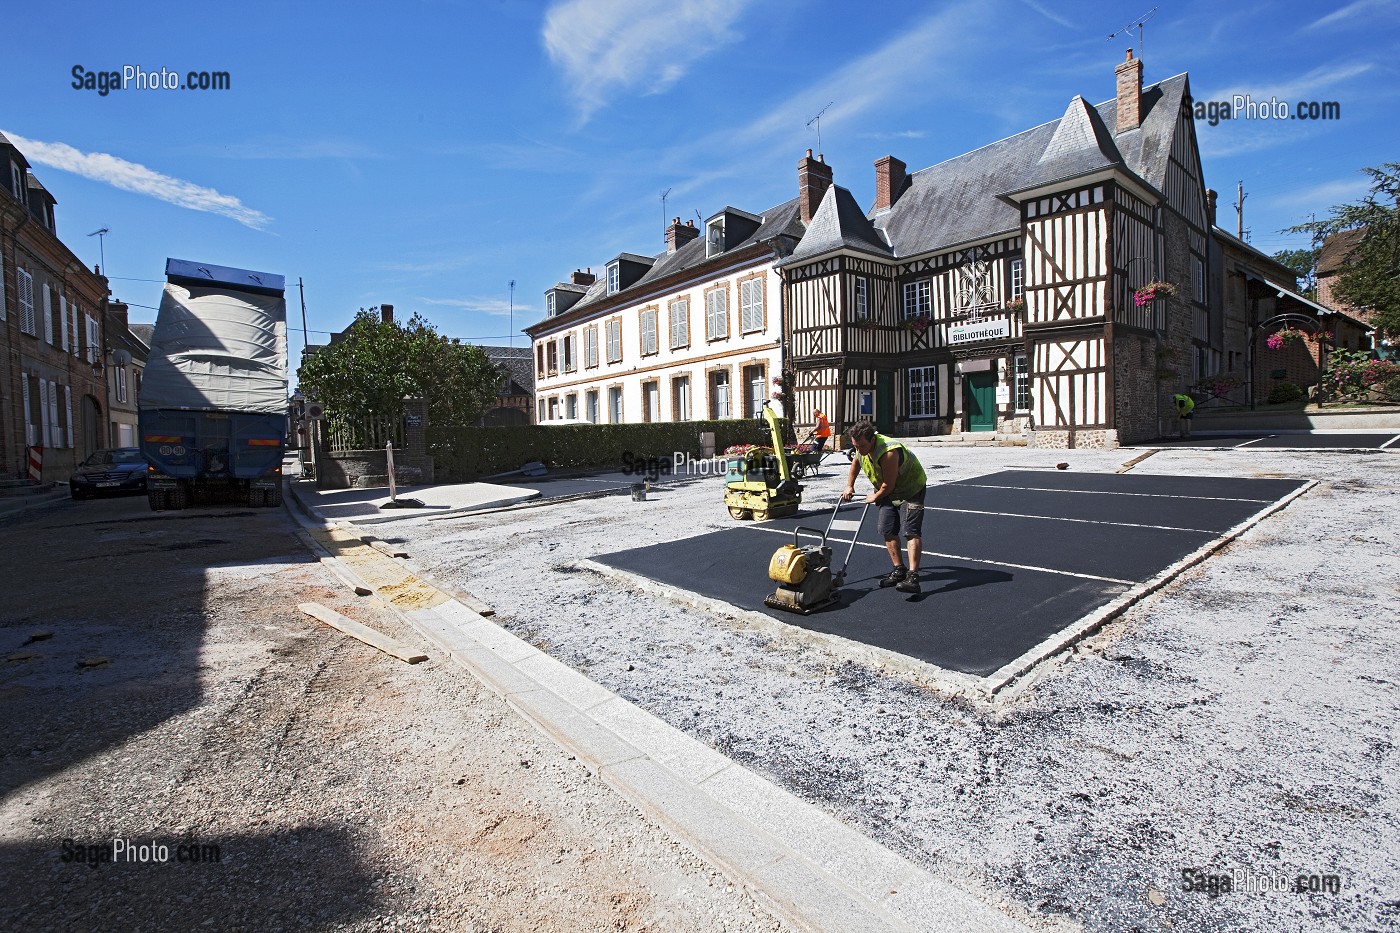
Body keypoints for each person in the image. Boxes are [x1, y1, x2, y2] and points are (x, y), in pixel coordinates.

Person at [840, 421, 928, 594]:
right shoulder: (861, 449)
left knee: (911, 530)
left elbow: (889, 484)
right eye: (855, 446)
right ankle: (899, 570)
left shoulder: (889, 452)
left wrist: (875, 496)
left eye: (862, 445)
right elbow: (856, 463)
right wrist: (849, 485)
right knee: (887, 528)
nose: (859, 450)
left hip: (910, 489)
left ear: (873, 440)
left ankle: (913, 577)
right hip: (887, 491)